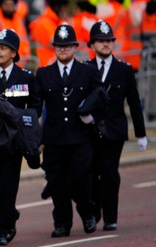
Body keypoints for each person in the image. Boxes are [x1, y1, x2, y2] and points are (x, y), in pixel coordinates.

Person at [34, 24, 103, 238]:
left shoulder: (88, 71)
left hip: (80, 137)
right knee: (56, 182)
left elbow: (101, 99)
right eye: (59, 46)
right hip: (54, 138)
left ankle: (87, 211)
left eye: (67, 46)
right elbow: (36, 106)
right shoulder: (44, 74)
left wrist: (92, 117)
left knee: (79, 178)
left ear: (75, 47)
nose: (62, 49)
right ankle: (62, 222)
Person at [85, 20, 148, 231]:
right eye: (101, 41)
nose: (106, 44)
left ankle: (111, 217)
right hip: (90, 131)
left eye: (109, 40)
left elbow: (134, 102)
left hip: (114, 130)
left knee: (110, 172)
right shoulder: (85, 69)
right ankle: (94, 210)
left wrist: (141, 134)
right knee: (91, 173)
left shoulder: (124, 70)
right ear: (92, 45)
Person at [0, 29, 41, 246]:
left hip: (13, 142)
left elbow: (35, 106)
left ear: (13, 53)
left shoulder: (26, 77)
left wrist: (25, 120)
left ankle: (2, 231)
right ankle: (9, 213)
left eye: (3, 48)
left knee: (8, 186)